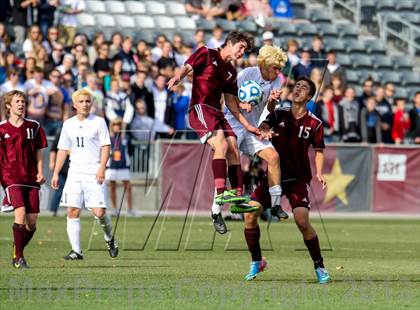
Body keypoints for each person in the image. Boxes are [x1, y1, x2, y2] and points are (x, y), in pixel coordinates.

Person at [237, 77, 331, 284]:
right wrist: (264, 130)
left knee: (302, 221)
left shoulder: (315, 123)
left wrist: (320, 172)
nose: (298, 89)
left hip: (297, 178)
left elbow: (319, 150)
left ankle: (319, 266)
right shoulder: (279, 113)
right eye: (296, 86)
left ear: (309, 96)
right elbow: (262, 123)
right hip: (273, 176)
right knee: (250, 216)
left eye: (303, 88)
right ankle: (257, 261)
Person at [167, 31, 258, 234]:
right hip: (200, 108)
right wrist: (177, 77)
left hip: (219, 112)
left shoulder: (231, 72)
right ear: (229, 43)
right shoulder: (206, 53)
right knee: (222, 144)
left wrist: (249, 126)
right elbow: (187, 67)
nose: (242, 52)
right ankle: (220, 194)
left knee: (234, 148)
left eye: (245, 50)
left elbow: (232, 104)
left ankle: (231, 201)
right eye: (241, 48)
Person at [51, 89, 119, 260]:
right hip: (75, 173)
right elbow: (62, 150)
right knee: (72, 211)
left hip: (93, 172)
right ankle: (76, 251)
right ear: (74, 105)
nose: (85, 104)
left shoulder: (99, 122)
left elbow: (105, 146)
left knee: (99, 212)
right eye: (81, 101)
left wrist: (102, 167)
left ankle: (109, 238)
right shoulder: (68, 124)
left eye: (88, 101)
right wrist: (56, 172)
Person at [224, 45, 289, 220]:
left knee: (274, 158)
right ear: (265, 64)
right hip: (234, 122)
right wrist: (241, 103)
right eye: (275, 67)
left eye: (280, 68)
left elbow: (270, 108)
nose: (278, 71)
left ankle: (275, 205)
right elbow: (229, 95)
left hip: (253, 126)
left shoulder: (277, 81)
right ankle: (231, 200)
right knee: (232, 154)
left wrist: (273, 101)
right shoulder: (247, 73)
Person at [0, 90, 48, 268]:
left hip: (30, 177)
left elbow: (39, 151)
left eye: (23, 101)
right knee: (19, 213)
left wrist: (40, 172)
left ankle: (17, 248)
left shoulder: (33, 126)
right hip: (10, 177)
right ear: (8, 106)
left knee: (32, 221)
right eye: (17, 101)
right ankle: (19, 258)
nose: (21, 104)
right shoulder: (1, 128)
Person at [106, 118, 134, 216]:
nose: (117, 126)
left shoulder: (126, 138)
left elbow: (130, 151)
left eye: (118, 124)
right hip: (112, 166)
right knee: (112, 187)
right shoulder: (108, 138)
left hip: (123, 166)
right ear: (111, 126)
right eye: (114, 124)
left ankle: (130, 210)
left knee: (128, 187)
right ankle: (115, 209)